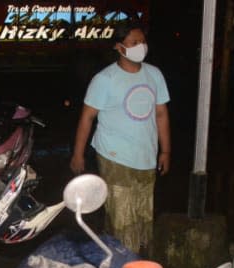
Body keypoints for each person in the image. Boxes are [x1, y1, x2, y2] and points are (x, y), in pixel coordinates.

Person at [69, 20, 171, 255]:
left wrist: (165, 150)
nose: (140, 47)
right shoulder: (105, 79)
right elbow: (87, 118)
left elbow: (161, 114)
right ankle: (125, 266)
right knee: (123, 216)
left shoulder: (154, 75)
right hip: (114, 156)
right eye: (134, 42)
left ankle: (115, 255)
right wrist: (78, 154)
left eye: (143, 42)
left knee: (142, 215)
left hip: (146, 156)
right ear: (118, 47)